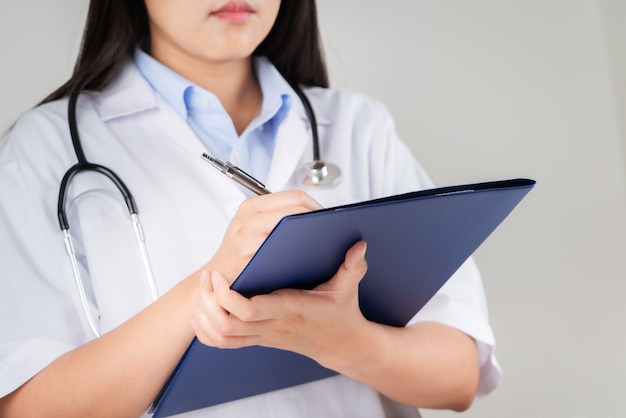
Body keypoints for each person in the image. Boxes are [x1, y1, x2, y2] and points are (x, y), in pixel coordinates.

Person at [0, 1, 501, 417]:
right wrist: (211, 284)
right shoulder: (47, 148)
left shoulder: (357, 127)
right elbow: (26, 406)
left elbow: (458, 375)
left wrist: (345, 341)